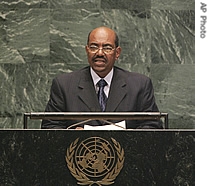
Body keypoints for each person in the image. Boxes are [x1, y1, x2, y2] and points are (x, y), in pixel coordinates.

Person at [41, 26, 162, 129]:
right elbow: (50, 126)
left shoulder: (139, 85)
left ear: (117, 53)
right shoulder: (64, 85)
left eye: (107, 47)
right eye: (94, 47)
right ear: (87, 50)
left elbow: (152, 126)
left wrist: (126, 139)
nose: (99, 53)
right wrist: (73, 136)